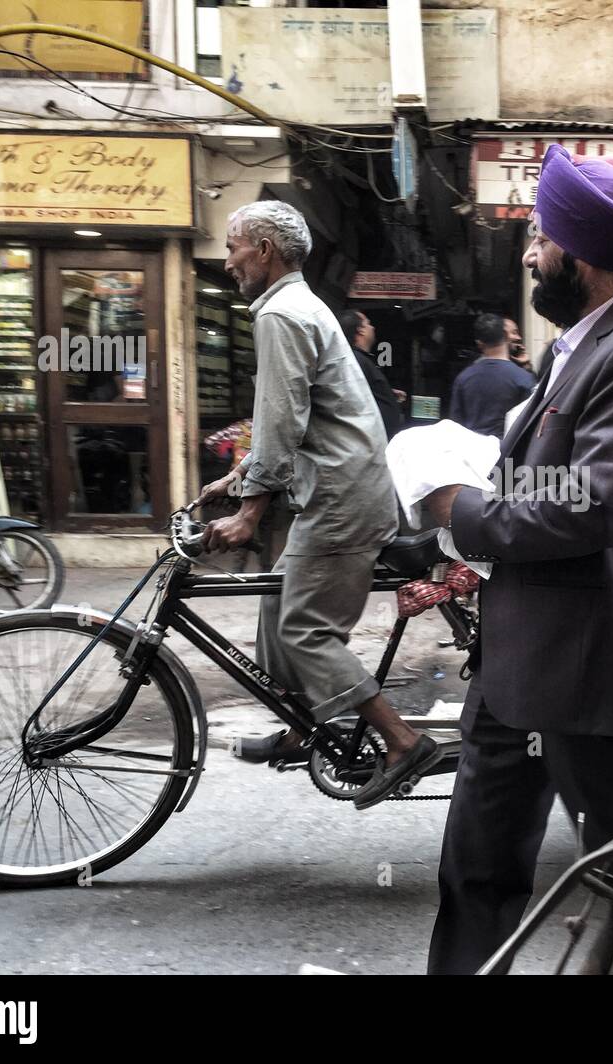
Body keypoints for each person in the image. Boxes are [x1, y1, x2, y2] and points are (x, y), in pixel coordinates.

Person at [421, 144, 613, 974]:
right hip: (518, 660)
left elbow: (587, 506)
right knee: (477, 864)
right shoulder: (573, 349)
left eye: (541, 240)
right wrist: (438, 518)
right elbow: (531, 479)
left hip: (588, 666)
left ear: (580, 256)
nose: (534, 255)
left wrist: (459, 512)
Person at [197, 200, 440, 809]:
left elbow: (282, 418)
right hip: (342, 487)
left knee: (304, 630)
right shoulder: (299, 306)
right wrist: (238, 479)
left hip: (342, 498)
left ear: (265, 252)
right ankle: (307, 728)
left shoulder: (281, 313)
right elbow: (296, 418)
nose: (227, 262)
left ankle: (401, 741)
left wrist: (250, 511)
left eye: (232, 248)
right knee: (274, 603)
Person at [448, 313, 535, 437]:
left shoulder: (463, 378)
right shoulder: (523, 378)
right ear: (505, 336)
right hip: (508, 452)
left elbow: (455, 426)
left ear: (479, 343)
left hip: (472, 452)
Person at [338, 309, 405, 439]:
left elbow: (364, 391)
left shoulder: (361, 359)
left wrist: (388, 393)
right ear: (361, 330)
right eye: (368, 324)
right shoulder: (355, 361)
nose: (372, 327)